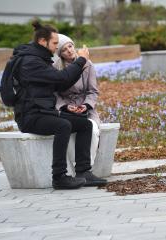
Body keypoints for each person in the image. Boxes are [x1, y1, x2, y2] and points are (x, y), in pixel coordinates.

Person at [12, 20, 107, 190]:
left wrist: (80, 65)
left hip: (44, 112)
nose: (56, 47)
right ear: (43, 42)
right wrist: (82, 60)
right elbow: (61, 80)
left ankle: (83, 171)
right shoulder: (30, 62)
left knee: (85, 124)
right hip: (30, 116)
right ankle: (59, 177)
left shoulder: (40, 59)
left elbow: (59, 84)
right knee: (63, 125)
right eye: (55, 43)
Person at [53, 34, 101, 174]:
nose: (69, 50)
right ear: (60, 54)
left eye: (70, 46)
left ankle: (86, 168)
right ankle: (76, 169)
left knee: (93, 129)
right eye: (64, 49)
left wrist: (86, 105)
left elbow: (93, 91)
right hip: (67, 107)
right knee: (67, 131)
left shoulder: (88, 64)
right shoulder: (56, 67)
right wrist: (65, 106)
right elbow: (54, 93)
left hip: (85, 106)